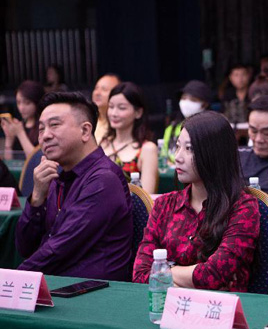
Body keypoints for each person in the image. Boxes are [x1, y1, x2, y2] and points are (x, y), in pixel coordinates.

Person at [133, 111, 260, 290]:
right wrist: (185, 280)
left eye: (189, 149)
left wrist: (162, 272)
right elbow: (140, 274)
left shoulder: (242, 208)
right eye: (178, 146)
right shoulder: (164, 205)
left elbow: (213, 275)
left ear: (215, 154)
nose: (178, 157)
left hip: (219, 306)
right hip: (167, 305)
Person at [15, 92, 132, 280]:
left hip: (93, 290)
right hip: (60, 283)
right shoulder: (57, 177)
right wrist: (36, 198)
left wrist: (13, 279)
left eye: (54, 125)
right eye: (41, 129)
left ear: (85, 131)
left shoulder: (103, 180)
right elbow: (25, 247)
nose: (45, 136)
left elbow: (60, 249)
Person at [100, 82, 158, 193]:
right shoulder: (103, 144)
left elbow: (146, 196)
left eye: (121, 108)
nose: (114, 113)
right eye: (111, 107)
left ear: (138, 112)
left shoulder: (147, 149)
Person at [160, 80, 211, 164]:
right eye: (183, 98)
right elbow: (163, 157)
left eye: (193, 100)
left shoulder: (211, 129)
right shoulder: (171, 129)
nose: (187, 103)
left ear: (204, 104)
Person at [1, 80, 45, 160]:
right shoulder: (20, 126)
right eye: (18, 102)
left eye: (27, 103)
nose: (21, 108)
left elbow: (35, 160)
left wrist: (20, 133)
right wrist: (9, 138)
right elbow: (9, 162)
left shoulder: (44, 127)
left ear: (37, 103)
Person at [92, 73, 121, 142]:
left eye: (104, 89)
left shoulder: (120, 124)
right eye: (96, 88)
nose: (97, 93)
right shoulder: (88, 120)